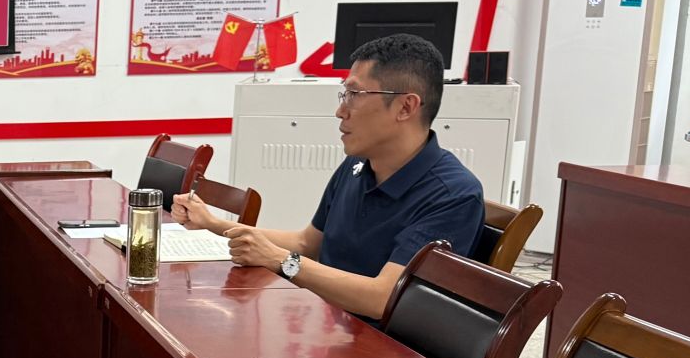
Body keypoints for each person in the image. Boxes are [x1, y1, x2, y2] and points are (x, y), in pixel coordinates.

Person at [173, 32, 483, 320]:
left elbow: (383, 298)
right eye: (344, 94)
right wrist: (212, 223)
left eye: (354, 94)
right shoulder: (357, 165)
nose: (340, 111)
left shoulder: (452, 195)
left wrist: (282, 261)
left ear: (405, 106)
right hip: (329, 322)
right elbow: (308, 242)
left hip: (382, 349)